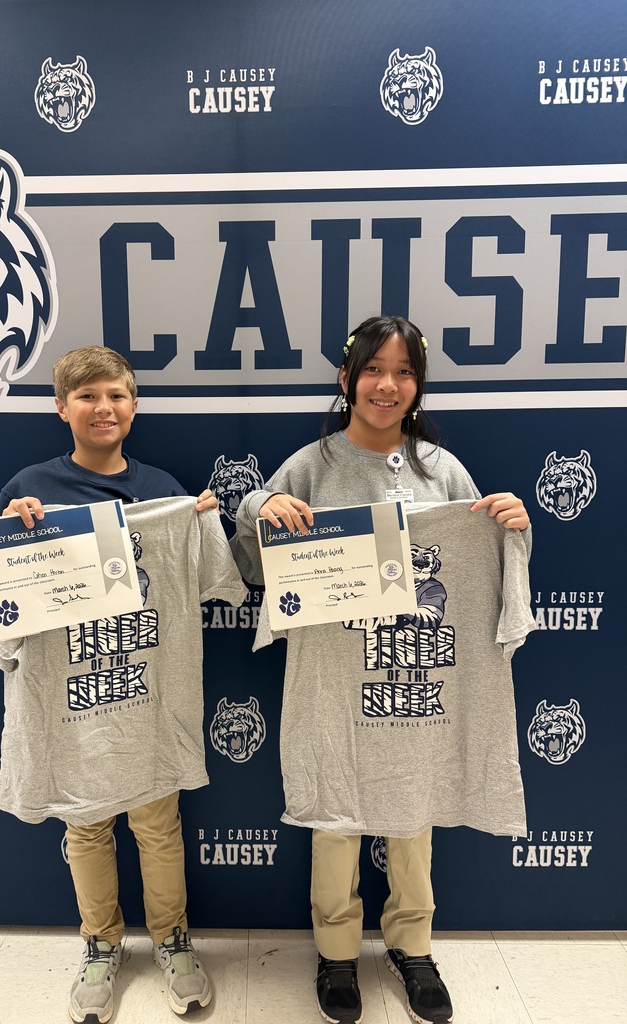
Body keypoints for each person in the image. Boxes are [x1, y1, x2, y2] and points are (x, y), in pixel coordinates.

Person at [231, 315, 531, 1024]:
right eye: (373, 370)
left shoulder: (442, 469)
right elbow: (249, 562)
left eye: (403, 372)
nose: (386, 385)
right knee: (336, 815)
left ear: (418, 385)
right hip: (334, 682)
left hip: (414, 677)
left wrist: (510, 526)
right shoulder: (311, 465)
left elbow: (479, 569)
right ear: (347, 379)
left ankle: (413, 946)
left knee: (412, 811)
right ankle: (336, 951)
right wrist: (260, 503)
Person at [0, 345, 245, 1023]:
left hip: (144, 699)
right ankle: (100, 944)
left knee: (158, 827)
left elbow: (209, 582)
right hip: (72, 708)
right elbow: (4, 612)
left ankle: (171, 940)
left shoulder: (163, 490)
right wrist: (16, 536)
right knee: (85, 829)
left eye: (117, 396)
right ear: (61, 407)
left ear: (134, 406)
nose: (104, 408)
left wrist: (201, 525)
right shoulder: (28, 491)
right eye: (88, 396)